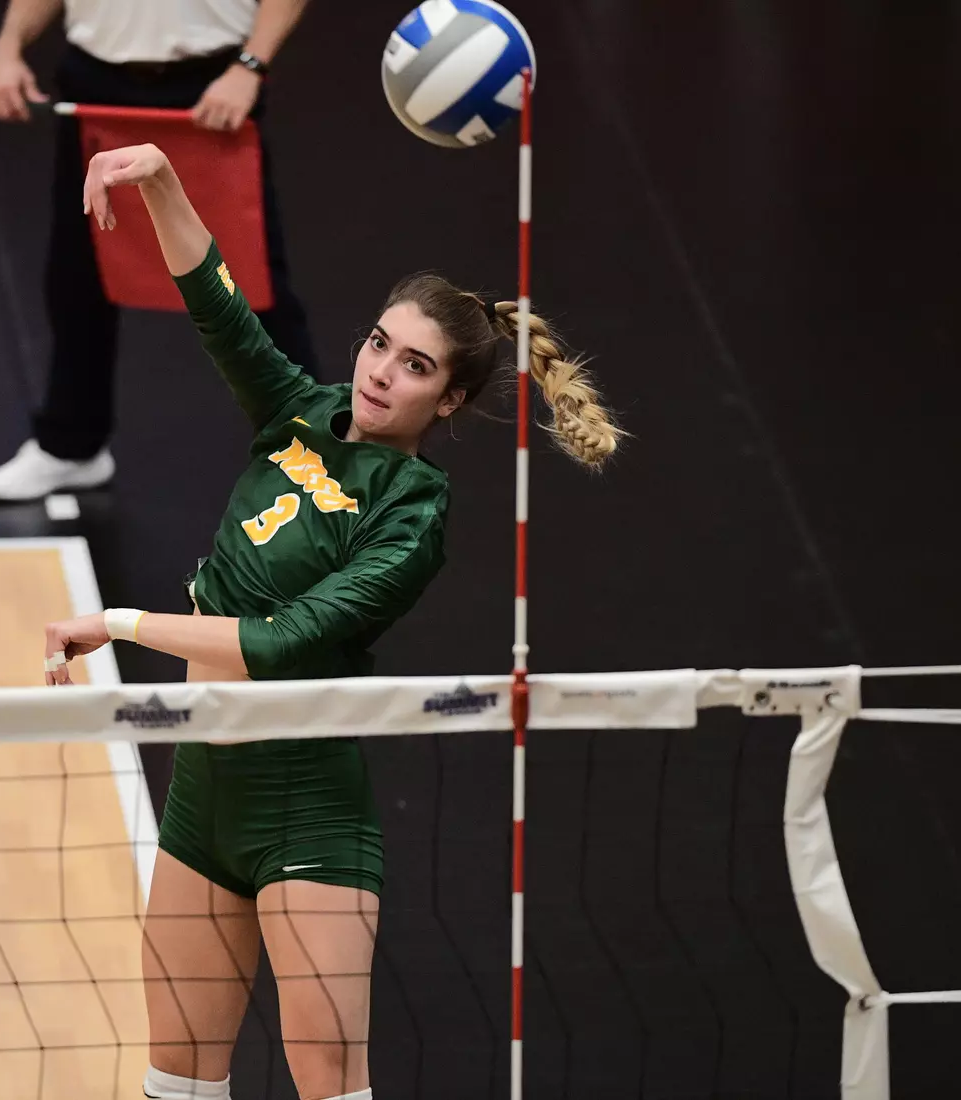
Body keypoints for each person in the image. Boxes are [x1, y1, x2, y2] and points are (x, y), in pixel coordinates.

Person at [40, 143, 622, 1100]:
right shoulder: (300, 413)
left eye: (417, 365)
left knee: (326, 1082)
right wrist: (161, 180)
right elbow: (217, 305)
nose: (383, 373)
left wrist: (121, 620)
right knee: (176, 1079)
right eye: (378, 343)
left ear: (453, 399)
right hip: (203, 795)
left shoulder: (413, 509)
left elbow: (282, 645)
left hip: (306, 812)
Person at [0, 0, 320, 501]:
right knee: (78, 278)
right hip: (95, 85)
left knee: (251, 288)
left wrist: (250, 65)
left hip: (211, 87)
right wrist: (7, 46)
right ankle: (72, 447)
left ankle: (317, 458)